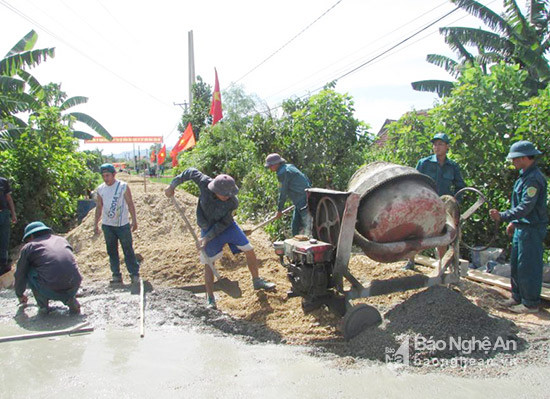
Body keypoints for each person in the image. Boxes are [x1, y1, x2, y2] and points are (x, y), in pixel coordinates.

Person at [165, 168, 275, 309]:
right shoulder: (205, 182)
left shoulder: (233, 202)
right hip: (207, 226)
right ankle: (210, 297)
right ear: (215, 189)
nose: (227, 197)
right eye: (224, 195)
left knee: (249, 249)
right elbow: (190, 172)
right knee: (209, 262)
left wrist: (207, 238)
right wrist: (172, 185)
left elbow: (225, 223)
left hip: (226, 226)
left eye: (229, 194)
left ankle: (257, 280)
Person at [489, 140, 548, 314]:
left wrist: (503, 216)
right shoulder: (524, 175)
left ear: (524, 158)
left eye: (515, 159)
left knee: (528, 266)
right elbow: (521, 207)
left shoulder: (534, 180)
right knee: (516, 264)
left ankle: (530, 304)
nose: (512, 162)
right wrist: (513, 222)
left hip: (532, 229)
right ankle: (517, 297)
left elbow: (526, 207)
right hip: (522, 227)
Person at [404, 133, 467, 270]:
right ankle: (410, 262)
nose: (436, 147)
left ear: (447, 147)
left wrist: (456, 202)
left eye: (440, 144)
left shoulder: (453, 167)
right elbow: (415, 182)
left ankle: (442, 265)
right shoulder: (424, 163)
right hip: (425, 204)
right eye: (435, 144)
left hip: (444, 206)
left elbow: (460, 186)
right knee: (416, 232)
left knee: (443, 234)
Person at [14, 221, 82, 314]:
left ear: (31, 237)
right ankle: (69, 298)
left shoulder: (29, 247)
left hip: (52, 289)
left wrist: (20, 294)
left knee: (28, 270)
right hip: (75, 285)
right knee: (57, 267)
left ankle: (43, 306)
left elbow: (20, 274)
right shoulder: (61, 240)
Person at [94, 163, 140, 285]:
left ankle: (134, 274)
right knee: (112, 251)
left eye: (108, 175)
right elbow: (99, 207)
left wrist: (134, 220)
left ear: (114, 174)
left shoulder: (122, 186)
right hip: (107, 225)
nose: (106, 178)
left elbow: (130, 203)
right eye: (103, 176)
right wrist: (95, 224)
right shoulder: (100, 189)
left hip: (122, 225)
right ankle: (116, 275)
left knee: (128, 249)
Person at [264, 153, 312, 237]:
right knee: (295, 227)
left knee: (308, 227)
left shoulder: (282, 173)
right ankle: (294, 247)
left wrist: (279, 210)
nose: (270, 168)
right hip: (301, 200)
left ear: (276, 164)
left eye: (270, 166)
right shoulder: (290, 166)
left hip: (303, 201)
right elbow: (305, 178)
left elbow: (283, 193)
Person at [0, 175, 17, 276]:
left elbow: (9, 198)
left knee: (4, 239)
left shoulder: (3, 181)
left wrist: (13, 214)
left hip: (4, 213)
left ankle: (4, 266)